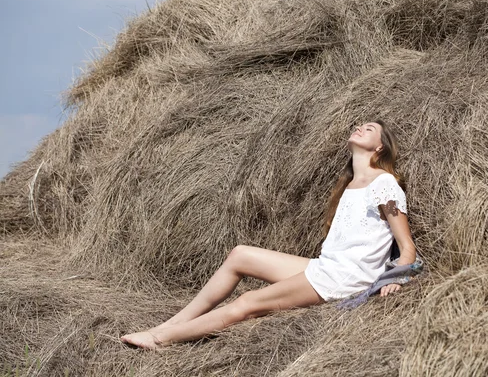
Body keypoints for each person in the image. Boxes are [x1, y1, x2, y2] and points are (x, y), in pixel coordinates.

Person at [120, 120, 418, 349]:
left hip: (347, 278)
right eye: (360, 124)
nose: (359, 127)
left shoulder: (384, 184)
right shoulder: (350, 184)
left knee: (248, 302)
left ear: (380, 148)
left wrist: (395, 278)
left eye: (369, 129)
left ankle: (161, 339)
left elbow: (406, 245)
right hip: (327, 266)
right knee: (240, 255)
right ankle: (175, 322)